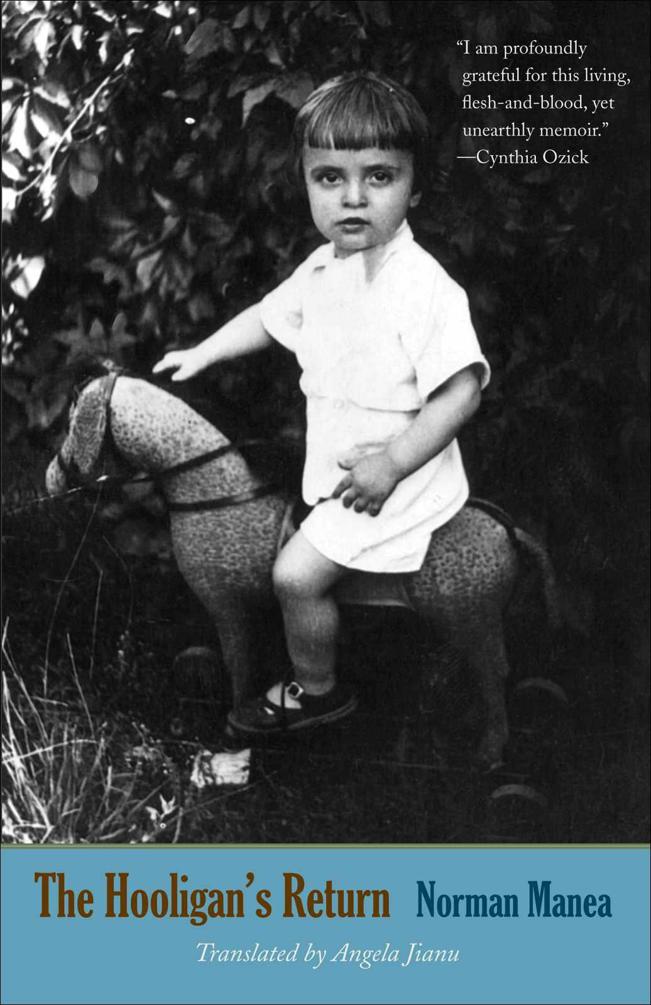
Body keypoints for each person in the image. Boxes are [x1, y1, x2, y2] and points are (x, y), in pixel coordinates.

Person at [153, 70, 490, 736]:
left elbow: (461, 391)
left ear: (416, 187)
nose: (353, 197)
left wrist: (392, 463)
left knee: (294, 575)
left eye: (379, 176)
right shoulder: (322, 268)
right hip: (343, 472)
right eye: (329, 177)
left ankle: (317, 690)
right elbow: (267, 315)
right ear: (305, 183)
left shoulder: (423, 286)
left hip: (398, 479)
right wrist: (204, 352)